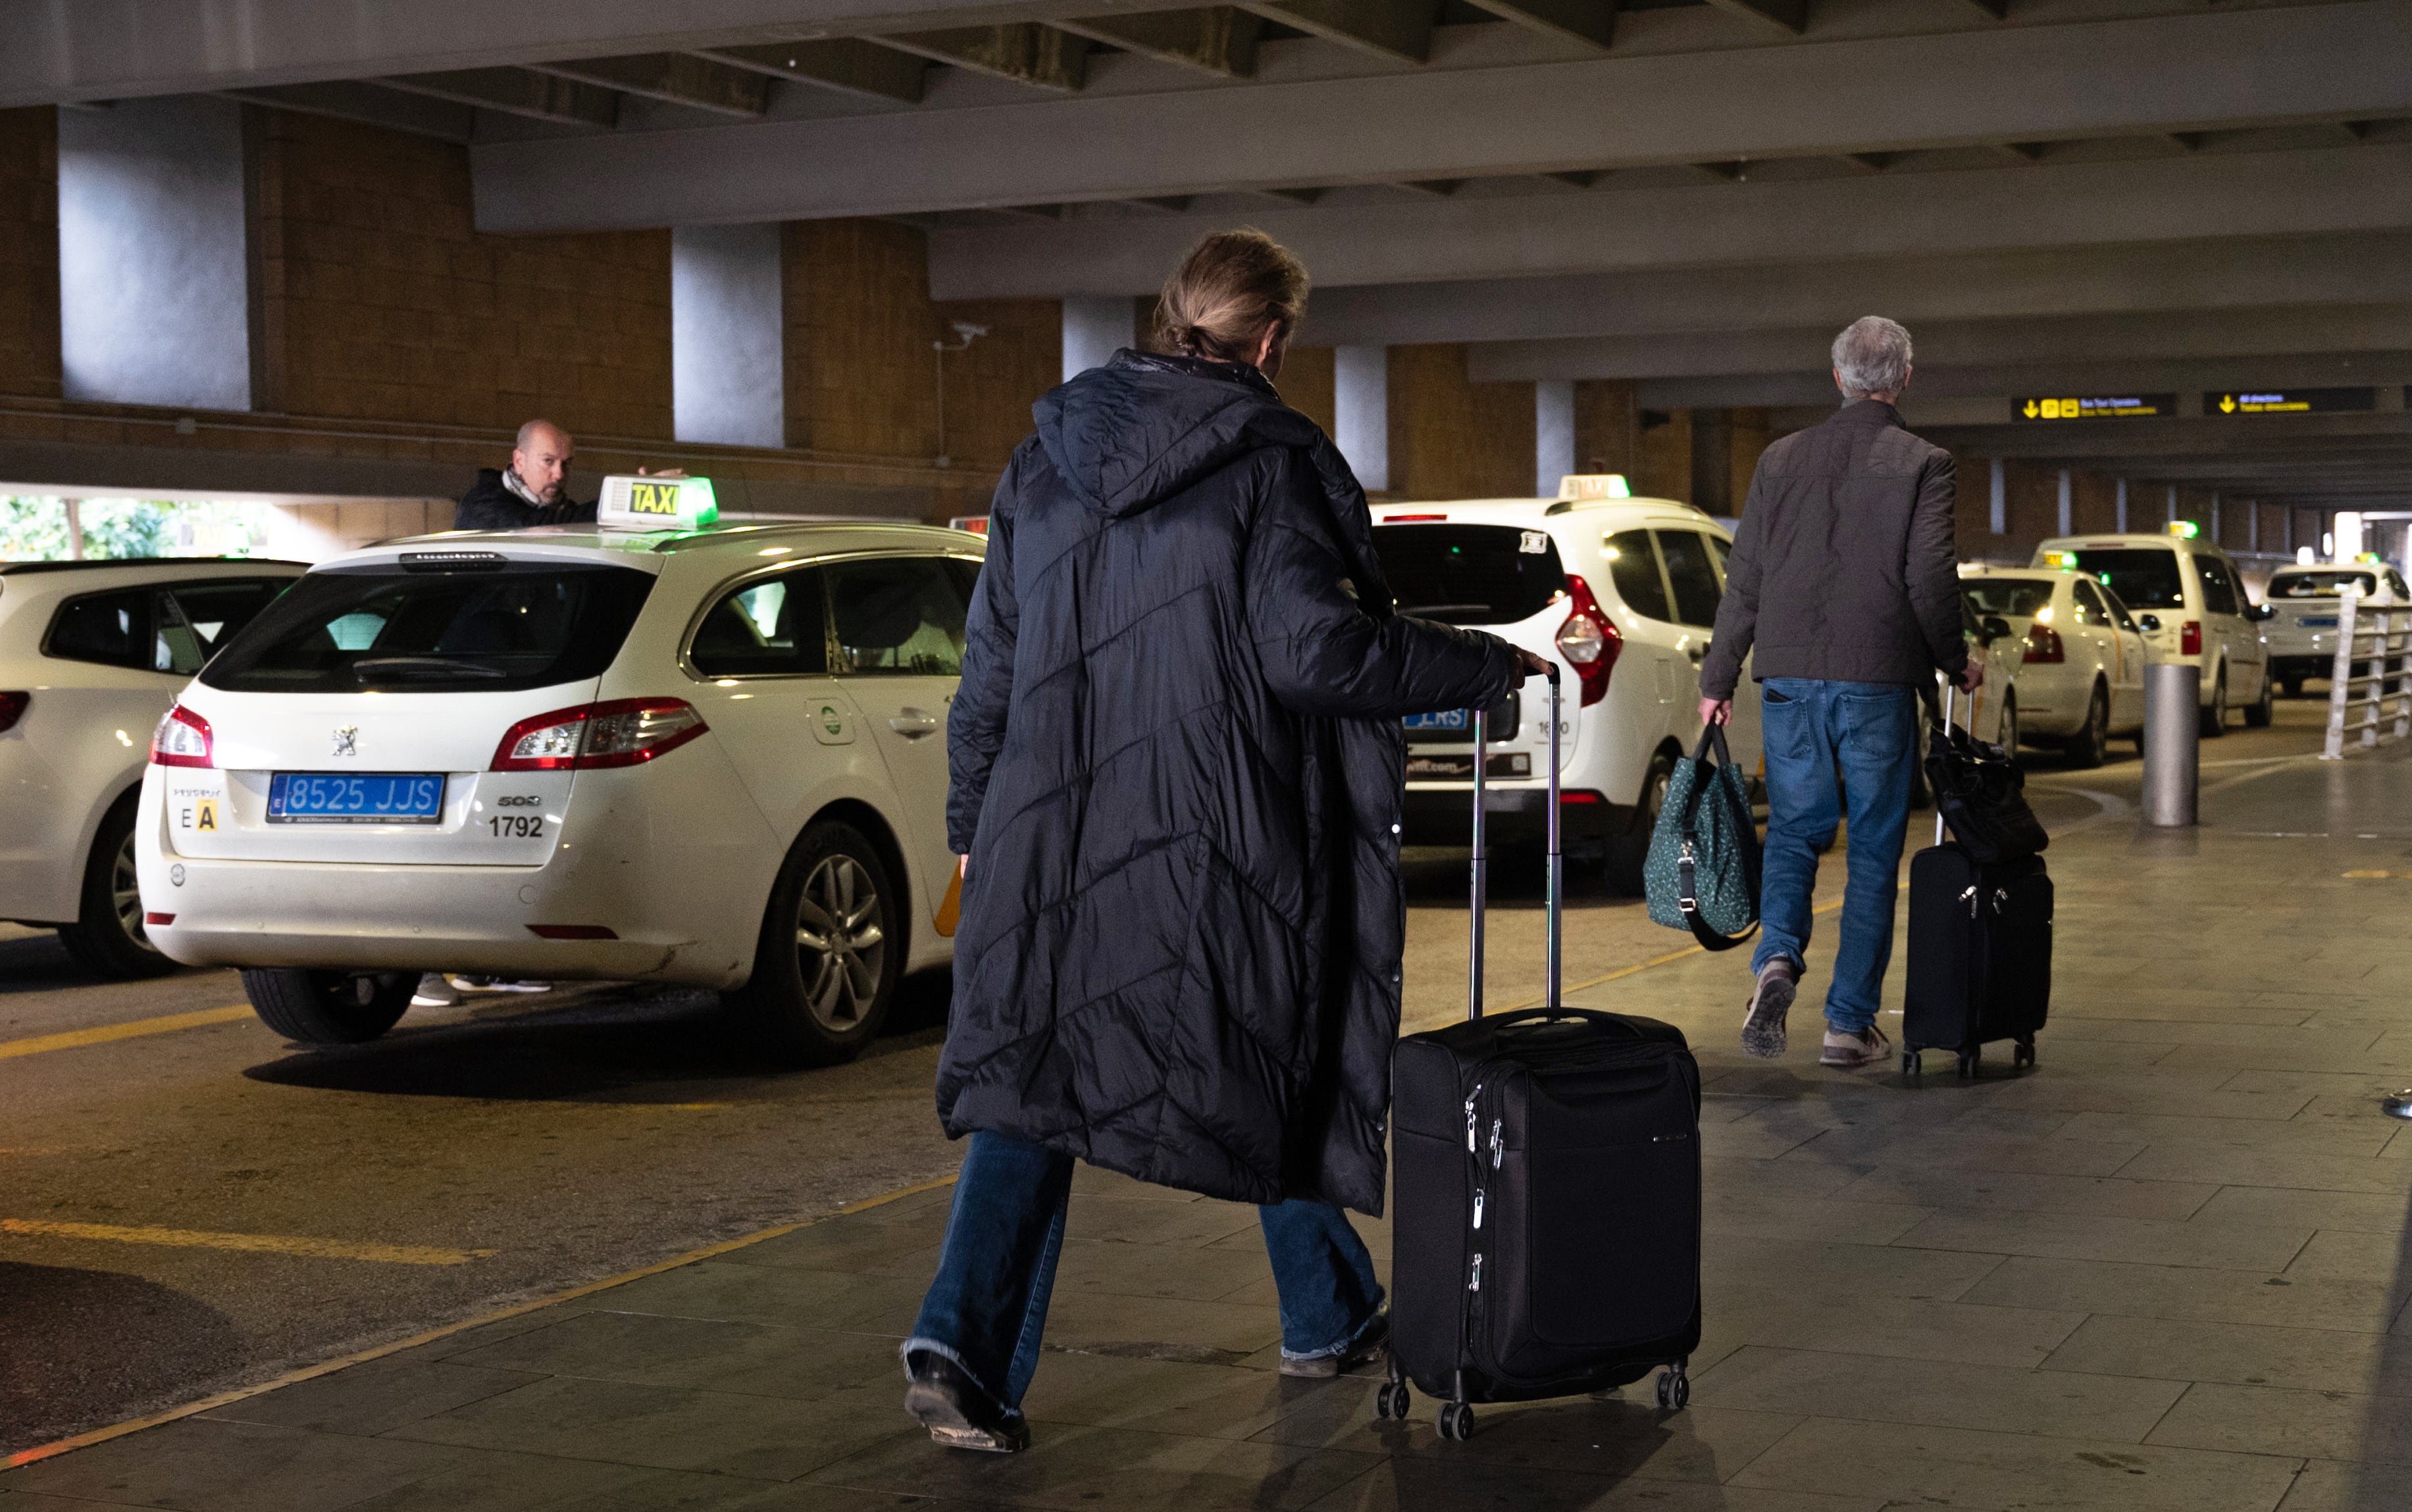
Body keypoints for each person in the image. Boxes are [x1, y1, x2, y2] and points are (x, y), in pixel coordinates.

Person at [902, 230, 1542, 1453]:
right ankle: (1326, 1307)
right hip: (1213, 828)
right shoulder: (1268, 464)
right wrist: (1478, 661)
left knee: (1034, 1077)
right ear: (1272, 339)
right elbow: (1317, 651)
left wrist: (975, 827)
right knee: (1269, 1039)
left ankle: (965, 1345)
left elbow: (989, 669)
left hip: (1050, 831)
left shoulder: (1041, 461)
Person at [1695, 315, 1978, 1071]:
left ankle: (1777, 963)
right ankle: (1847, 1025)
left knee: (1793, 830)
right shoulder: (1925, 461)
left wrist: (1716, 679)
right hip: (1877, 675)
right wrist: (1954, 660)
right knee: (1873, 851)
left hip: (1786, 672)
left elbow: (1745, 578)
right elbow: (1926, 577)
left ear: (1836, 378)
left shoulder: (1779, 459)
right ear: (1904, 378)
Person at [452, 420, 594, 531]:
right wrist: (603, 510)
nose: (559, 474)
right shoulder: (481, 506)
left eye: (566, 464)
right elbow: (530, 527)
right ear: (519, 461)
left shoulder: (562, 511)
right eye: (548, 461)